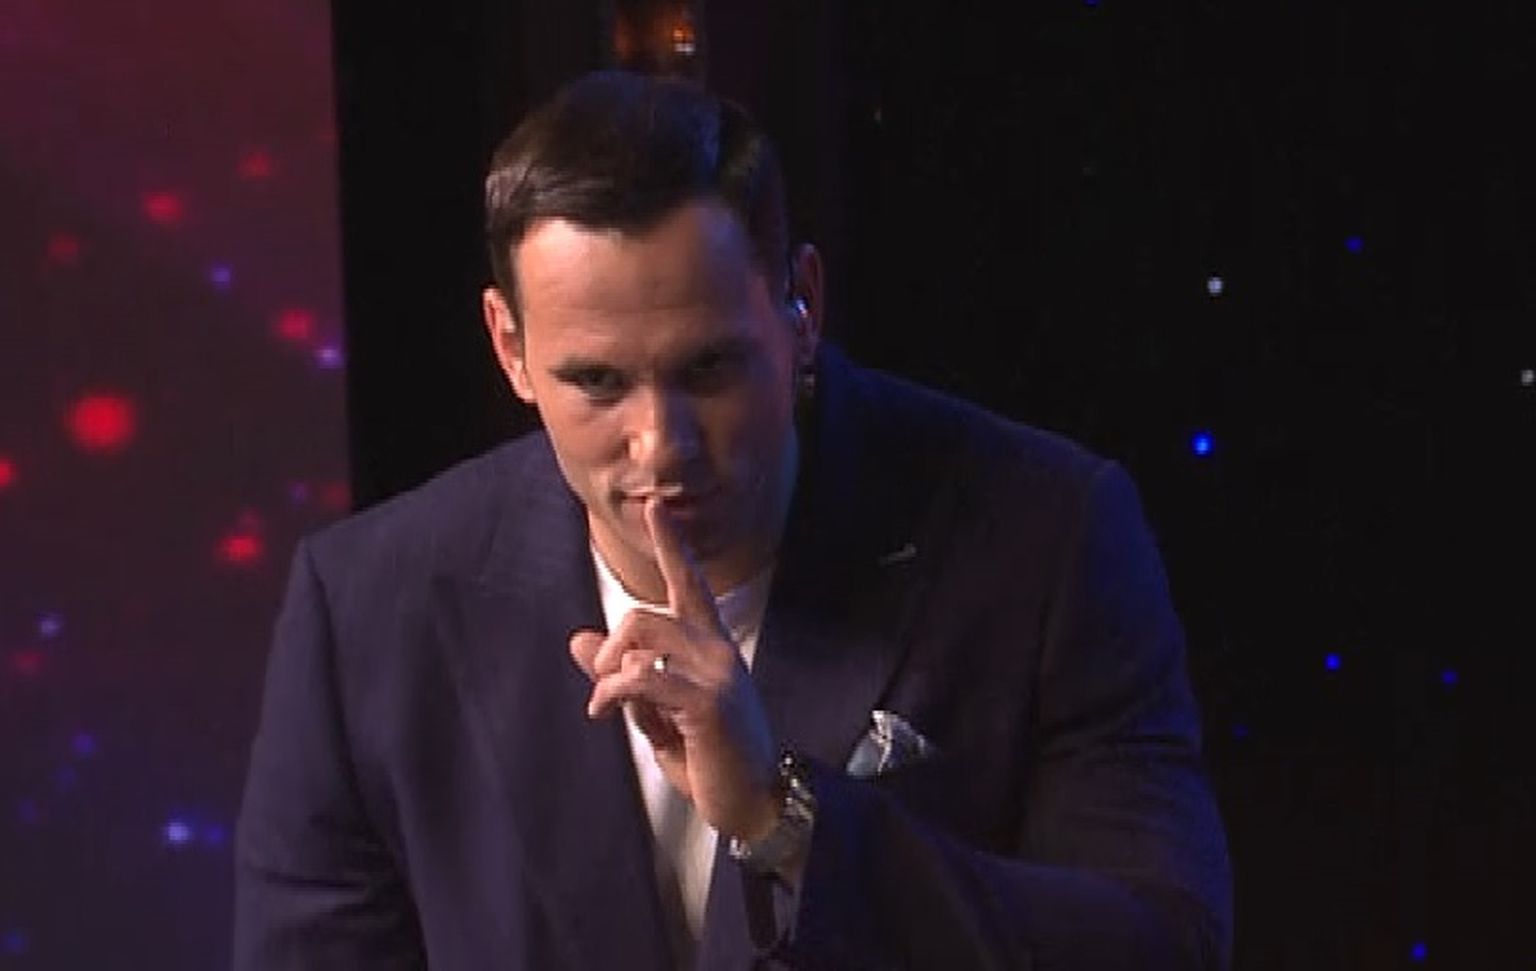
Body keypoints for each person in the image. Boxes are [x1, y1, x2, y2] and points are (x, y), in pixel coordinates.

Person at [234, 69, 1231, 970]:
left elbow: (1164, 945)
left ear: (802, 307)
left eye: (708, 368)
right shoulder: (365, 607)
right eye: (597, 382)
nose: (661, 444)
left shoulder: (1047, 537)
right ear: (510, 347)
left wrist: (784, 820)